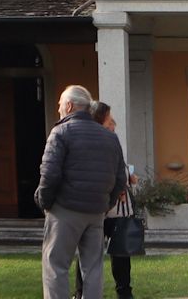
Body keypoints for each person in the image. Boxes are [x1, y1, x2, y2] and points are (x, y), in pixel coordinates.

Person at [37, 85, 127, 299]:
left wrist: (45, 202)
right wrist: (105, 205)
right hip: (96, 211)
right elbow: (120, 178)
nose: (58, 108)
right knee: (93, 268)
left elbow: (49, 174)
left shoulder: (61, 132)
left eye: (60, 104)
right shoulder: (109, 137)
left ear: (68, 105)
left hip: (65, 209)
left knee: (56, 265)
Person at [72, 102, 138, 299]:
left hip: (117, 209)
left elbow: (120, 170)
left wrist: (127, 178)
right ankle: (83, 292)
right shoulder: (95, 142)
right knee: (89, 253)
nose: (112, 128)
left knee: (120, 253)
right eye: (110, 123)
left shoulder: (109, 142)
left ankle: (122, 292)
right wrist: (125, 179)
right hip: (100, 207)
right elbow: (113, 172)